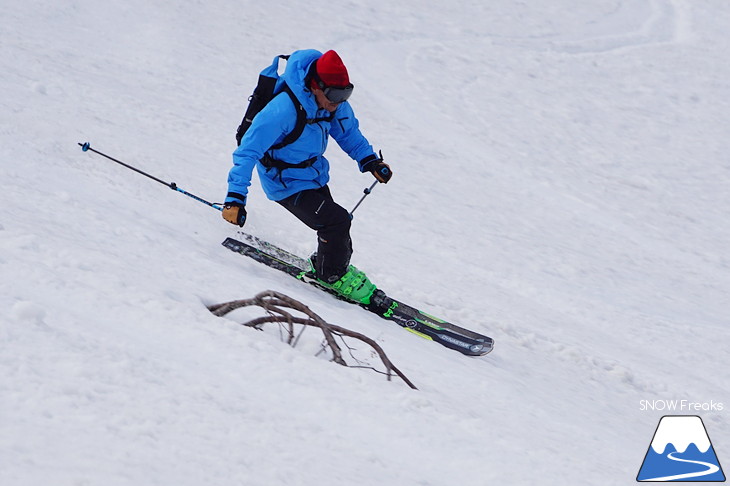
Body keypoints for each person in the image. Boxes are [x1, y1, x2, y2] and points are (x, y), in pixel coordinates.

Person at [222, 49, 392, 304]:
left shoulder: (333, 104)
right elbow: (246, 152)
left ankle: (328, 265)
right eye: (335, 95)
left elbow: (349, 134)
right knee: (336, 221)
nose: (339, 101)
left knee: (334, 224)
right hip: (284, 181)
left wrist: (369, 160)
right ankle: (332, 275)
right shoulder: (282, 111)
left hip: (313, 174)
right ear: (315, 86)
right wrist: (235, 198)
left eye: (346, 93)